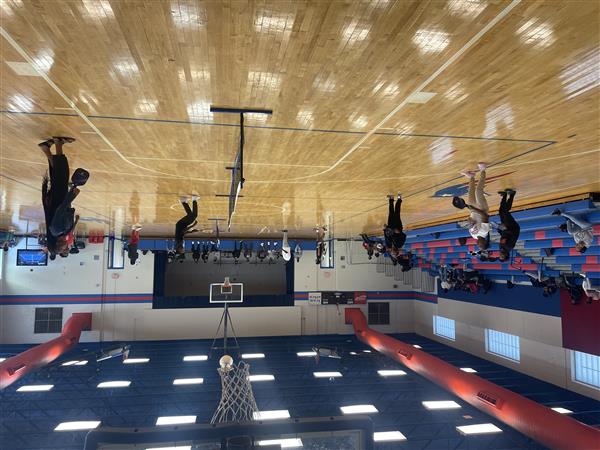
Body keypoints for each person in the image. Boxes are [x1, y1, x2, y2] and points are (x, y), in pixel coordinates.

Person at [453, 163, 490, 251]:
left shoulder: (474, 235)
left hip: (473, 211)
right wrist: (474, 210)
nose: (478, 245)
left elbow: (471, 223)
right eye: (480, 245)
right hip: (481, 208)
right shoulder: (484, 231)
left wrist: (469, 221)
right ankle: (483, 170)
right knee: (478, 191)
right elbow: (485, 216)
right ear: (484, 242)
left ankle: (471, 176)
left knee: (471, 192)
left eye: (478, 246)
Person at [497, 189, 519, 261]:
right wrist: (505, 229)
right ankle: (512, 194)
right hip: (513, 227)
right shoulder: (509, 246)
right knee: (505, 212)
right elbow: (513, 235)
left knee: (501, 212)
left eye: (500, 256)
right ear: (506, 255)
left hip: (506, 228)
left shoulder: (501, 248)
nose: (500, 255)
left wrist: (500, 231)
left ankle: (504, 195)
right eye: (502, 256)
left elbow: (504, 237)